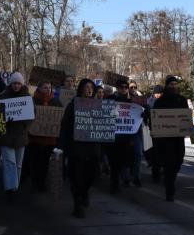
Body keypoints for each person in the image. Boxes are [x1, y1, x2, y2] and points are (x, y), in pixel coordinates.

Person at [58, 79, 102, 218]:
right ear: (81, 89)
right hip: (76, 148)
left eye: (91, 87)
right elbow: (65, 126)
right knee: (76, 177)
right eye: (86, 87)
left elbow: (105, 125)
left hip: (92, 148)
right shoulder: (73, 105)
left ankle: (84, 192)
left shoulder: (99, 106)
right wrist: (61, 146)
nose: (89, 90)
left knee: (91, 175)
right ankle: (77, 205)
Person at [0, 72, 32, 204]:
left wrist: (24, 122)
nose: (16, 86)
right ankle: (9, 190)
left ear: (21, 84)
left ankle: (14, 187)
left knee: (18, 164)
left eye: (18, 83)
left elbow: (31, 116)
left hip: (21, 137)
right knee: (9, 163)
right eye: (14, 83)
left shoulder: (27, 98)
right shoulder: (3, 97)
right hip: (6, 136)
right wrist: (5, 122)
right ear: (10, 84)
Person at [152, 75, 189, 202]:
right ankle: (170, 190)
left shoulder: (182, 100)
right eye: (171, 84)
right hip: (164, 140)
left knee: (178, 162)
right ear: (167, 86)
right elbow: (155, 119)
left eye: (175, 84)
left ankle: (169, 180)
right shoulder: (160, 101)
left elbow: (185, 116)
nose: (173, 86)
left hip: (178, 139)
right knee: (168, 164)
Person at [26, 80, 63, 193]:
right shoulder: (32, 101)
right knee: (35, 162)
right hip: (34, 139)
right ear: (39, 88)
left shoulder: (56, 102)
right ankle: (34, 183)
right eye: (45, 87)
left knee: (45, 163)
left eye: (49, 87)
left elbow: (60, 120)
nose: (48, 90)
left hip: (49, 140)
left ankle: (41, 183)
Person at [109, 78, 136, 192]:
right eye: (122, 87)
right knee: (114, 162)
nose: (124, 89)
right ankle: (114, 183)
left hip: (127, 137)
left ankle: (122, 178)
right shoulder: (111, 99)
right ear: (118, 88)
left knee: (124, 161)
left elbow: (138, 113)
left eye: (126, 87)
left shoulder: (132, 101)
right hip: (113, 137)